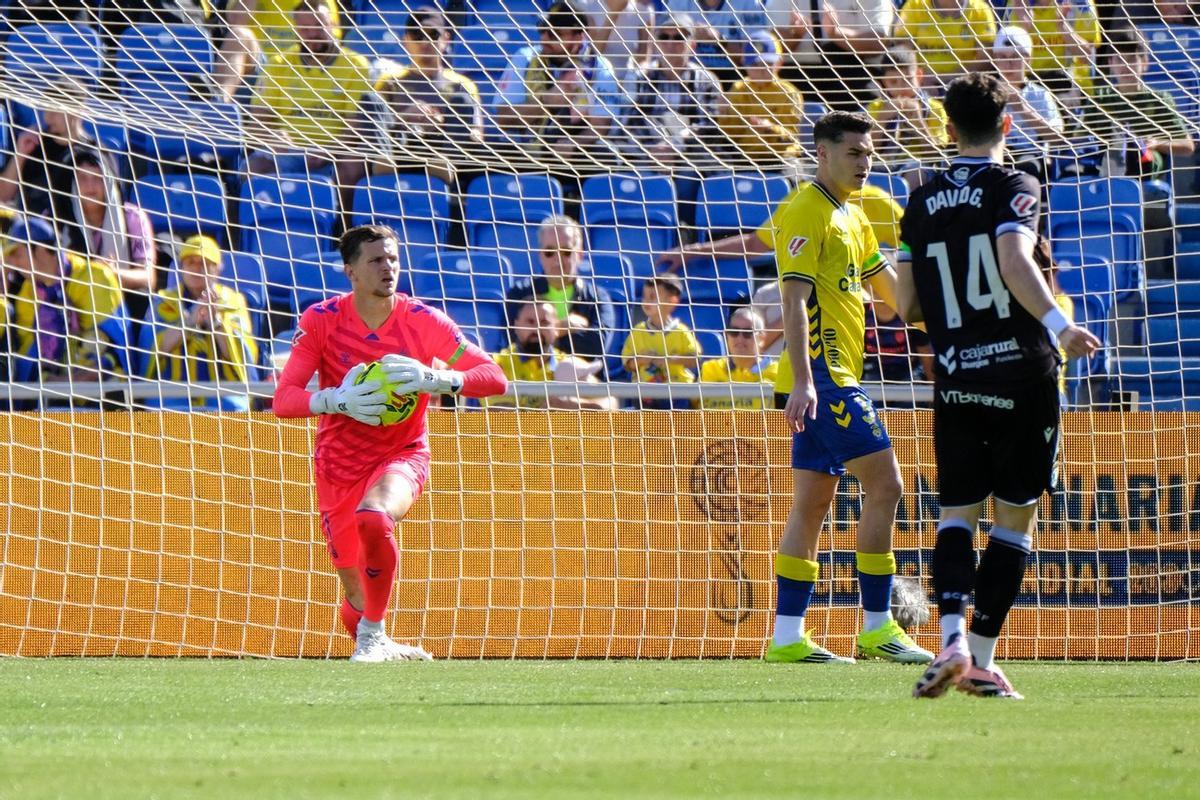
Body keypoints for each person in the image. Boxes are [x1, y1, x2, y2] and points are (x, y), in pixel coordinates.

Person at [895, 74, 1100, 699]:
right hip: (1023, 374)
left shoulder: (921, 198)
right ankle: (980, 655)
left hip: (957, 377)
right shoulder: (1015, 184)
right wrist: (1061, 325)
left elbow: (905, 307)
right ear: (1007, 126)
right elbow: (1012, 261)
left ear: (947, 128)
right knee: (1014, 521)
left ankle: (951, 637)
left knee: (956, 514)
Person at [272, 224, 508, 662]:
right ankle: (376, 635)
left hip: (402, 454)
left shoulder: (424, 321)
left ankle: (374, 635)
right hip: (338, 465)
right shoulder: (321, 320)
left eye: (394, 259)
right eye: (376, 260)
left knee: (375, 518)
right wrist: (335, 399)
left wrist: (437, 378)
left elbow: (494, 378)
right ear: (352, 272)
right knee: (357, 601)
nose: (389, 267)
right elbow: (283, 400)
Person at [763, 111, 932, 665]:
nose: (865, 162)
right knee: (887, 486)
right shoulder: (804, 211)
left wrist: (919, 239)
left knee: (811, 506)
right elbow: (792, 300)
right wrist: (807, 383)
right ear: (824, 154)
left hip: (830, 380)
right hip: (823, 380)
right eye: (855, 153)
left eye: (869, 153)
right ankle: (878, 627)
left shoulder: (855, 218)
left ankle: (787, 638)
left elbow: (898, 303)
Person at [248, 0, 372, 207]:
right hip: (288, 153)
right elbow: (255, 123)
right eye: (305, 29)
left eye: (319, 27)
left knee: (353, 166)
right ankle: (265, 229)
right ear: (296, 30)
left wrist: (329, 150)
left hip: (335, 152)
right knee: (254, 167)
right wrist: (271, 136)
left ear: (333, 25)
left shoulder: (356, 65)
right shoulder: (278, 64)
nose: (313, 35)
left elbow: (356, 126)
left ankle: (342, 230)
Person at [489, 1, 625, 163]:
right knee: (490, 149)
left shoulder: (598, 66)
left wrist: (574, 143)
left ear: (579, 36)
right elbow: (503, 118)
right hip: (525, 146)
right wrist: (545, 103)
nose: (544, 37)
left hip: (571, 148)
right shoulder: (525, 57)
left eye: (554, 34)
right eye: (542, 29)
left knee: (607, 155)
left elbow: (601, 124)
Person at [0, 217, 125, 387]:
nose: (13, 264)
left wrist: (65, 384)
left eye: (18, 255)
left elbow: (107, 346)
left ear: (42, 249)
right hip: (51, 393)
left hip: (102, 391)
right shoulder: (28, 293)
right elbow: (26, 357)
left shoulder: (95, 277)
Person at [141, 236, 258, 411]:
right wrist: (190, 322)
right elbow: (151, 348)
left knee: (234, 408)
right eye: (191, 263)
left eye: (204, 263)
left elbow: (244, 357)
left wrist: (215, 322)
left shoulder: (233, 301)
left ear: (217, 269)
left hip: (223, 390)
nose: (197, 269)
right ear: (182, 268)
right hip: (172, 390)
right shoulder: (162, 302)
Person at [374, 7, 484, 179]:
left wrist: (443, 123)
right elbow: (374, 124)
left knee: (462, 101)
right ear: (405, 40)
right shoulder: (390, 82)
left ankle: (443, 172)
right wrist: (405, 117)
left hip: (443, 151)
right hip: (400, 151)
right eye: (417, 35)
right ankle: (384, 177)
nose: (425, 42)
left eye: (433, 35)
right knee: (370, 100)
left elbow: (477, 135)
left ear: (446, 39)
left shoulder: (462, 85)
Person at [1075, 28, 1195, 182]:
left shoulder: (1159, 100)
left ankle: (1118, 171)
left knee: (1133, 151)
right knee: (1078, 165)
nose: (1125, 66)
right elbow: (1080, 138)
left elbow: (1188, 146)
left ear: (1144, 63)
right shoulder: (1099, 98)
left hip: (1143, 159)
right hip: (1105, 155)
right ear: (1110, 63)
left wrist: (1158, 143)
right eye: (1119, 59)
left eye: (1131, 59)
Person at [505, 215, 617, 363]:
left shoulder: (597, 297)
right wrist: (561, 326)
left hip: (583, 382)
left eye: (566, 251)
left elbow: (596, 346)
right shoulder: (518, 294)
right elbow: (517, 344)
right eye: (550, 252)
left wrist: (541, 334)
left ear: (580, 255)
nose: (558, 260)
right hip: (532, 382)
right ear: (540, 256)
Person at [63, 146, 158, 321]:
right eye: (82, 178)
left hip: (120, 301)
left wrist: (111, 274)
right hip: (73, 299)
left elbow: (148, 277)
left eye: (97, 178)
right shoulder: (59, 219)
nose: (90, 186)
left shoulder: (133, 218)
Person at [620, 12, 726, 168]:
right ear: (655, 43)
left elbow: (709, 126)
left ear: (692, 45)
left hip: (690, 156)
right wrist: (653, 150)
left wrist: (674, 147)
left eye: (679, 37)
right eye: (664, 37)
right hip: (644, 153)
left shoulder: (706, 80)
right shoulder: (637, 77)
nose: (671, 43)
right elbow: (627, 122)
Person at [489, 300, 612, 410]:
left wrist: (572, 405)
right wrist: (545, 413)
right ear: (515, 326)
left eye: (544, 322)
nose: (536, 329)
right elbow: (498, 416)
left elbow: (611, 402)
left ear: (556, 328)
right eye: (530, 322)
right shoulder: (497, 364)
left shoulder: (568, 365)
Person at [718, 32, 805, 166]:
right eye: (754, 64)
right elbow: (731, 134)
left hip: (782, 156)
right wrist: (724, 114)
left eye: (767, 63)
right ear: (743, 63)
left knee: (793, 175)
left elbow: (791, 136)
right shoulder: (739, 89)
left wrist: (770, 128)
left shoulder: (788, 93)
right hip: (747, 156)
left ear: (779, 63)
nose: (761, 69)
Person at [620, 274, 700, 408]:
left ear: (672, 301)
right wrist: (641, 360)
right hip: (647, 392)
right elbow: (628, 364)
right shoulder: (638, 332)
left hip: (677, 391)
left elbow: (695, 358)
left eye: (652, 297)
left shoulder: (681, 331)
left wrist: (670, 359)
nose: (646, 301)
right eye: (645, 297)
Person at [992, 26, 1066, 167]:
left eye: (1015, 57)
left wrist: (1023, 109)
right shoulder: (986, 92)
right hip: (994, 152)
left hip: (1029, 154)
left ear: (1027, 60)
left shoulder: (1039, 94)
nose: (1009, 64)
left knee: (1028, 166)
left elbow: (1058, 137)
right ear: (995, 59)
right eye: (1002, 57)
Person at [865, 48, 949, 173]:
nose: (901, 87)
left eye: (908, 80)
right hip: (882, 165)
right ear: (884, 83)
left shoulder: (935, 108)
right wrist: (882, 120)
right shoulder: (876, 107)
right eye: (893, 82)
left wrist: (918, 122)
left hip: (917, 166)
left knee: (916, 173)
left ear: (919, 77)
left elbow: (935, 155)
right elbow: (868, 150)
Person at [1006, 0, 1101, 98]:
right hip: (1027, 79)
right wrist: (1023, 28)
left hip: (1063, 78)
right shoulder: (1017, 5)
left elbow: (1086, 57)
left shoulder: (1077, 4)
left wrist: (1063, 27)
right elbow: (1005, 58)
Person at [896, 0, 998, 89]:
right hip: (921, 82)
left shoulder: (980, 10)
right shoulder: (915, 6)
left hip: (965, 84)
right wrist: (921, 79)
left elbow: (985, 59)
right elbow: (904, 52)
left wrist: (953, 79)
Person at [696, 307, 778, 410]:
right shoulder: (709, 369)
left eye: (748, 333)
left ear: (761, 339)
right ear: (727, 336)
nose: (740, 338)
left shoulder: (777, 374)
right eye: (734, 332)